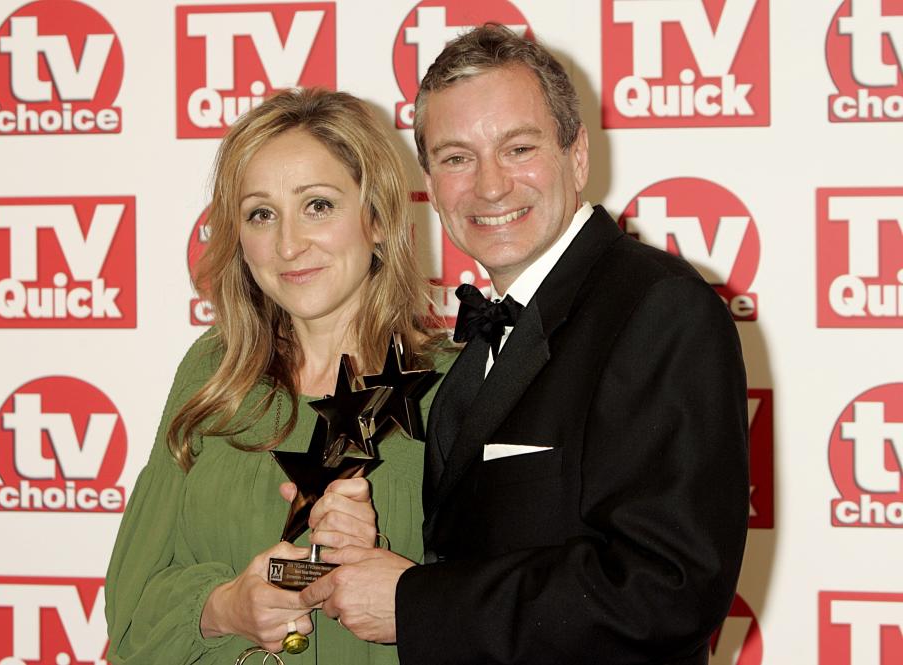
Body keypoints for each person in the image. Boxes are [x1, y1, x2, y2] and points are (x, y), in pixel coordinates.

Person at [300, 24, 750, 665]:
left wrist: (412, 603)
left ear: (577, 155)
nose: (489, 186)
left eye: (518, 148)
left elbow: (667, 587)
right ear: (431, 179)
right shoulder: (479, 340)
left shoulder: (658, 309)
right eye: (457, 157)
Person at [104, 88, 451, 664]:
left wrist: (384, 565)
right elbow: (131, 612)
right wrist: (221, 607)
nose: (289, 244)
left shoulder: (453, 383)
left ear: (380, 218)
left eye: (318, 205)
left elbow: (503, 613)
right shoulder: (214, 373)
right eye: (261, 214)